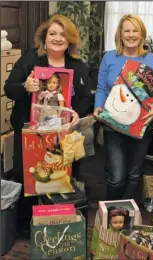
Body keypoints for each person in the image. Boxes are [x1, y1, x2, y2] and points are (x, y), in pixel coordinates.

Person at [4, 14, 93, 238]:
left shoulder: (78, 66)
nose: (57, 38)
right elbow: (9, 87)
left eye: (63, 34)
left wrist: (76, 113)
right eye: (52, 33)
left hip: (63, 135)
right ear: (44, 38)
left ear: (70, 40)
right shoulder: (30, 59)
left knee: (59, 177)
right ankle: (27, 225)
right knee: (29, 175)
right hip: (30, 132)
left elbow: (84, 98)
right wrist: (26, 85)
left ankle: (55, 220)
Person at [93, 14, 153, 202]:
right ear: (120, 34)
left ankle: (126, 214)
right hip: (113, 124)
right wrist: (98, 107)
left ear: (141, 35)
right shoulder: (109, 57)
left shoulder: (151, 59)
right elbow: (101, 89)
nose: (131, 34)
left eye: (135, 30)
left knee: (134, 174)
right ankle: (110, 213)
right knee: (116, 177)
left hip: (141, 125)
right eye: (127, 30)